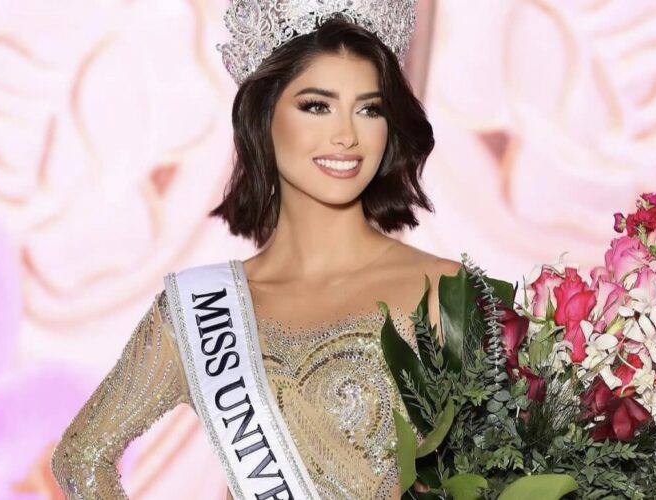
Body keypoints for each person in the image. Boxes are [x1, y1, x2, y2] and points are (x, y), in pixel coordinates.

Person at [51, 1, 460, 498]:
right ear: (264, 116)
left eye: (369, 109)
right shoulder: (200, 309)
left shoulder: (442, 292)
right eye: (317, 106)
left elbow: (500, 472)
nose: (347, 136)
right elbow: (82, 456)